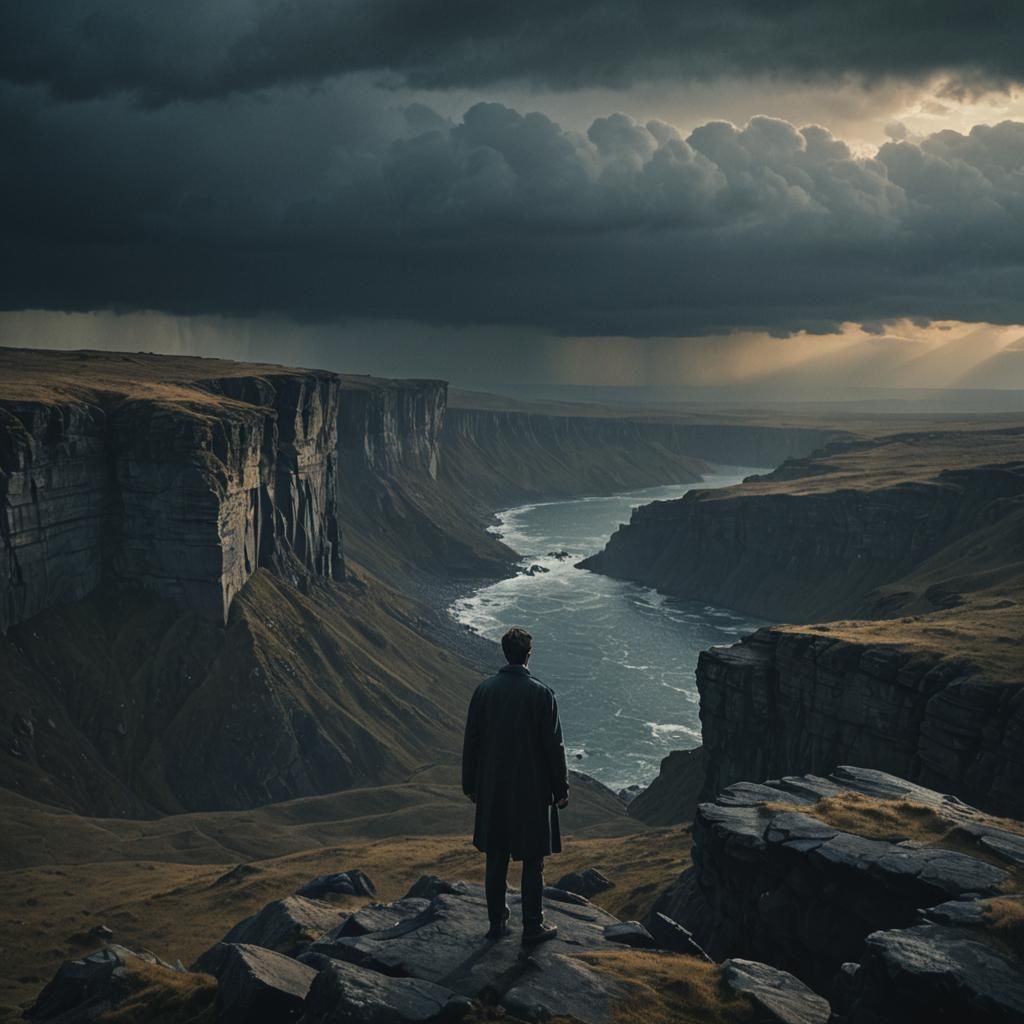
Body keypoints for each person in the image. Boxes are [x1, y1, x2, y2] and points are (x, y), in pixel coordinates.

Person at [462, 626, 570, 945]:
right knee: (533, 859)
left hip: (493, 790)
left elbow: (472, 742)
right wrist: (561, 788)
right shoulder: (541, 694)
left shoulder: (484, 691)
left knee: (496, 857)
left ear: (504, 652)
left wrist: (470, 785)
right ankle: (532, 926)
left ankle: (497, 925)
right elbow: (554, 746)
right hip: (532, 791)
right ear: (528, 655)